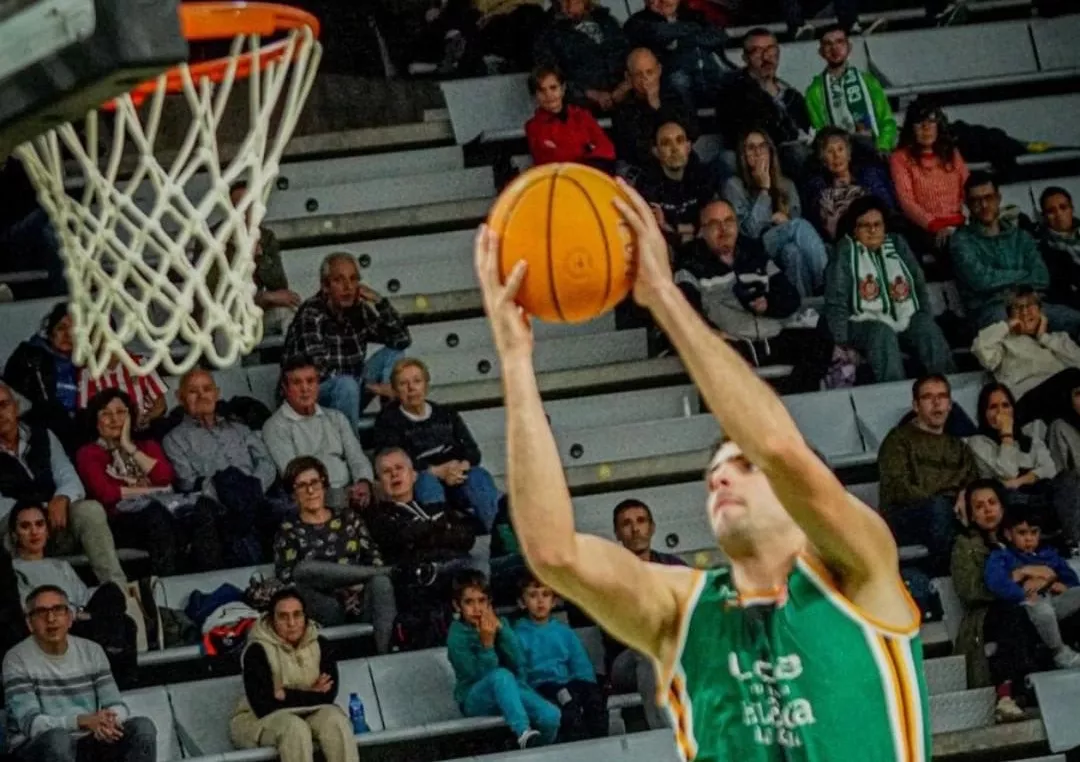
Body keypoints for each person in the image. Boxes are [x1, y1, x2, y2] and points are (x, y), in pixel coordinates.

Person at [473, 180, 931, 758]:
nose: (720, 477)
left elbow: (778, 447)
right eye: (714, 471)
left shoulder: (860, 570)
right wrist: (515, 360)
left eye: (742, 466)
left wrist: (664, 295)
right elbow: (553, 552)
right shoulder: (683, 608)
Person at [675, 200, 833, 393]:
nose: (724, 229)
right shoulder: (690, 264)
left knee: (822, 334)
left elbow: (791, 297)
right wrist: (714, 334)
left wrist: (768, 304)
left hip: (772, 336)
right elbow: (685, 311)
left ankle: (788, 395)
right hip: (736, 343)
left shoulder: (754, 253)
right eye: (715, 224)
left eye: (729, 221)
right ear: (702, 231)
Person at [2, 585, 157, 762]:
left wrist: (107, 723)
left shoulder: (92, 650)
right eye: (41, 612)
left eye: (58, 610)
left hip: (88, 739)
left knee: (142, 728)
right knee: (58, 740)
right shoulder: (16, 658)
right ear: (29, 623)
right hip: (36, 747)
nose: (51, 619)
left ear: (70, 618)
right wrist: (83, 721)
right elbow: (33, 724)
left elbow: (117, 705)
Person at [0, 382, 126, 589]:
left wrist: (63, 497)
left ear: (16, 407)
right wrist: (39, 510)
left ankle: (117, 590)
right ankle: (25, 596)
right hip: (14, 528)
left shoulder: (43, 435)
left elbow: (68, 476)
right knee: (19, 524)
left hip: (55, 523)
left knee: (90, 510)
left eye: (4, 405)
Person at [824, 196, 954, 383]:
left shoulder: (897, 244)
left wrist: (923, 315)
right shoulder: (845, 251)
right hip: (861, 323)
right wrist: (842, 342)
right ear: (854, 229)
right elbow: (836, 300)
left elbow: (918, 283)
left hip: (903, 316)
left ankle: (947, 387)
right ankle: (894, 390)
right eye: (865, 225)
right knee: (881, 333)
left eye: (877, 224)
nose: (873, 230)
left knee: (926, 328)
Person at [273, 456, 395, 653]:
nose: (310, 491)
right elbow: (288, 581)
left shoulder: (348, 517)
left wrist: (358, 587)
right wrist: (338, 590)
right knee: (304, 570)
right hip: (323, 606)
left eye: (315, 482)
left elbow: (374, 558)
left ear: (324, 485)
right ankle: (392, 571)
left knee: (381, 581)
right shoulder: (289, 529)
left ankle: (385, 656)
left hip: (360, 600)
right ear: (293, 494)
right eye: (302, 486)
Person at [8, 503, 137, 688]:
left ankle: (119, 679)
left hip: (79, 619)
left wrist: (82, 612)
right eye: (25, 526)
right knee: (114, 628)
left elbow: (82, 597)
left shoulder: (62, 566)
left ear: (47, 531)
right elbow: (26, 607)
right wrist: (72, 613)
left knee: (116, 601)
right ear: (14, 534)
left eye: (39, 524)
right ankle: (113, 674)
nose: (34, 532)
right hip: (53, 625)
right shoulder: (13, 571)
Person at [75, 389, 200, 577]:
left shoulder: (147, 446)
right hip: (121, 520)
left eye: (121, 412)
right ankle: (168, 582)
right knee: (155, 514)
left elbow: (165, 477)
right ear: (95, 420)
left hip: (163, 511)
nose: (114, 419)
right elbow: (106, 493)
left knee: (201, 511)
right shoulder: (88, 453)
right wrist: (152, 490)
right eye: (106, 414)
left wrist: (128, 446)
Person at [282, 252, 412, 431]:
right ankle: (349, 445)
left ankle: (393, 429)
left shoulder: (359, 309)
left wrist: (380, 301)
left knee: (394, 354)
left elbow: (401, 340)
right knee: (346, 385)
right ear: (325, 286)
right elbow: (319, 370)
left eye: (353, 279)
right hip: (310, 397)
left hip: (350, 391)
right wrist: (370, 387)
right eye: (339, 280)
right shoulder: (311, 313)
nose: (348, 287)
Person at [229, 589, 358, 762]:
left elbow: (328, 695)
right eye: (283, 617)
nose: (291, 623)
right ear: (272, 620)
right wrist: (312, 693)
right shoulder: (257, 650)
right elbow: (264, 705)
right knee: (295, 728)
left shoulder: (321, 645)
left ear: (305, 617)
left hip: (309, 712)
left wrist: (285, 694)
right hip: (258, 720)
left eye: (297, 615)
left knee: (336, 721)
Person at [373, 358, 499, 531]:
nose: (411, 388)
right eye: (403, 384)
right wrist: (437, 471)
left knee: (479, 476)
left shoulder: (446, 413)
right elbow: (392, 461)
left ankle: (496, 533)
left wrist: (460, 467)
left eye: (417, 381)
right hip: (422, 479)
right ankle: (441, 537)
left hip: (457, 476)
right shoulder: (388, 421)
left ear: (426, 385)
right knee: (427, 482)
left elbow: (472, 452)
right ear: (395, 390)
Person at [949, 480, 1039, 722]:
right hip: (985, 616)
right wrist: (1013, 584)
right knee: (1011, 612)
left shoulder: (1020, 537)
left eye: (992, 503)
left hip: (1030, 603)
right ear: (971, 514)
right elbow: (969, 591)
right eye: (979, 506)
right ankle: (1007, 696)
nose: (987, 510)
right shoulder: (964, 545)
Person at [163, 368, 274, 559]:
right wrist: (229, 492)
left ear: (217, 393)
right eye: (193, 391)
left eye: (207, 389)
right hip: (218, 505)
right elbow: (187, 481)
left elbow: (266, 463)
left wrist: (252, 488)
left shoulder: (240, 429)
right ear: (180, 398)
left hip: (257, 496)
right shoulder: (173, 439)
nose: (202, 396)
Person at [952, 173, 1080, 336]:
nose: (984, 205)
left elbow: (1041, 277)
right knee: (1013, 333)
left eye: (988, 197)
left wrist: (1003, 282)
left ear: (998, 198)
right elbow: (981, 281)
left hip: (1033, 305)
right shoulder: (961, 240)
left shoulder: (1020, 236)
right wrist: (1023, 274)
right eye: (976, 200)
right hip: (992, 310)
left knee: (1075, 320)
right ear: (967, 204)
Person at [447, 569, 561, 749]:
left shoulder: (500, 623)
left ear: (489, 603)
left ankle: (535, 750)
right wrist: (487, 645)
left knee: (551, 715)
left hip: (509, 690)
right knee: (501, 675)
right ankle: (523, 732)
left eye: (482, 601)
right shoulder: (456, 636)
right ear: (457, 605)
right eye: (469, 602)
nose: (477, 608)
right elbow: (477, 675)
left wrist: (502, 630)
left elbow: (519, 661)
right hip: (475, 698)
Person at [877, 375, 975, 575]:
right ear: (916, 406)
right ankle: (943, 576)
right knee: (939, 510)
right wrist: (946, 503)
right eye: (928, 397)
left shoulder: (959, 447)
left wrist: (966, 494)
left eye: (942, 396)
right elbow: (899, 488)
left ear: (950, 405)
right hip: (906, 516)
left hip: (951, 513)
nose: (937, 403)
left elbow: (972, 480)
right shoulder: (898, 440)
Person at [965, 382, 1080, 547]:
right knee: (1010, 494)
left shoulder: (1029, 434)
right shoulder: (978, 442)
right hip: (1012, 502)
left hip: (1040, 496)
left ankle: (1073, 541)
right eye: (993, 407)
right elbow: (1008, 471)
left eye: (1005, 405)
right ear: (984, 413)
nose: (1000, 412)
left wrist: (1021, 480)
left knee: (1068, 479)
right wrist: (1006, 435)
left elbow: (1050, 469)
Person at [605, 499, 684, 731]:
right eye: (626, 524)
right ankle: (666, 735)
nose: (635, 529)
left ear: (652, 527)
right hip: (628, 660)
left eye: (641, 521)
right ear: (617, 533)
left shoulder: (673, 566)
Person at [723, 130, 828, 297]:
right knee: (798, 226)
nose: (758, 152)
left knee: (792, 252)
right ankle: (827, 282)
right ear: (743, 155)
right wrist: (764, 189)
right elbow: (750, 232)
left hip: (782, 243)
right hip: (754, 248)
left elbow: (802, 240)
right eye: (751, 148)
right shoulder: (733, 185)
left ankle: (804, 305)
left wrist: (785, 222)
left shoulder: (787, 184)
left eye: (762, 147)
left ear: (770, 151)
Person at [262, 356, 374, 511]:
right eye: (297, 383)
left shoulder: (336, 418)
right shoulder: (275, 427)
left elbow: (357, 457)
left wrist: (363, 483)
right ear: (285, 388)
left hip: (351, 492)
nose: (305, 389)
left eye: (310, 381)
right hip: (313, 500)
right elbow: (295, 477)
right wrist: (342, 496)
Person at [513, 573, 607, 742]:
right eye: (533, 595)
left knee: (594, 700)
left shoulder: (564, 632)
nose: (540, 601)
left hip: (569, 685)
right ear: (522, 602)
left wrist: (587, 686)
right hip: (541, 687)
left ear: (554, 601)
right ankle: (576, 747)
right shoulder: (518, 635)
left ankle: (601, 744)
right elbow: (520, 673)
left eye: (546, 595)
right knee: (568, 704)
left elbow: (581, 666)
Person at [984, 509, 1080, 669]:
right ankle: (1059, 653)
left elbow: (1070, 578)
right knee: (1044, 611)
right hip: (1028, 604)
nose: (1029, 538)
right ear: (1008, 534)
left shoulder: (1049, 555)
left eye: (1034, 532)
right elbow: (997, 583)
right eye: (1022, 533)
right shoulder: (1002, 556)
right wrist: (1022, 591)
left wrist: (1060, 585)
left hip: (1055, 599)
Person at [972, 287, 1080, 428]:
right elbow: (980, 347)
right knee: (1072, 377)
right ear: (1010, 315)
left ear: (1041, 312)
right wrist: (1006, 326)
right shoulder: (1003, 344)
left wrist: (1043, 338)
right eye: (1017, 308)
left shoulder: (1058, 339)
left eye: (1030, 305)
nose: (1024, 312)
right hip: (1027, 404)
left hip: (1065, 399)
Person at [715, 29, 813, 181]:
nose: (766, 57)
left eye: (770, 49)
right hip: (755, 154)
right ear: (745, 58)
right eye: (757, 51)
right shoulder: (733, 89)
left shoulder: (791, 94)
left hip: (790, 155)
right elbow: (738, 132)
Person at [368, 447, 476, 573]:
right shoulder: (379, 518)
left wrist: (427, 532)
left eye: (399, 468)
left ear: (414, 475)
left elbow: (468, 537)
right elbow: (404, 543)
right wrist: (444, 529)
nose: (394, 474)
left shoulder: (437, 507)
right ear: (378, 484)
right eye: (386, 471)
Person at [888, 99, 968, 254]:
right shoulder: (900, 158)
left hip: (957, 223)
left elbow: (967, 185)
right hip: (924, 227)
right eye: (919, 122)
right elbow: (907, 201)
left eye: (931, 121)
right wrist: (934, 225)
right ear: (911, 127)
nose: (926, 128)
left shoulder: (951, 152)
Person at [805, 25, 897, 156]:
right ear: (821, 52)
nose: (835, 49)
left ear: (849, 47)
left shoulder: (868, 81)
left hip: (875, 152)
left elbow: (886, 121)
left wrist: (882, 147)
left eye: (840, 42)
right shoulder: (814, 91)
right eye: (828, 44)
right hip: (838, 158)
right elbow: (821, 133)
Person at [623, 0, 730, 110]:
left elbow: (720, 36)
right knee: (679, 81)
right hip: (670, 74)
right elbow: (658, 34)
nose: (663, 2)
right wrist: (692, 30)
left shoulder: (693, 15)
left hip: (708, 70)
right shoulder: (638, 21)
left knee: (731, 80)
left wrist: (684, 39)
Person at [4, 303, 83, 451]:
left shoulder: (89, 363)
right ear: (50, 332)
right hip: (42, 431)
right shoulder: (29, 357)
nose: (68, 335)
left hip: (81, 430)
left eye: (74, 330)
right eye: (61, 328)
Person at [532, 0, 630, 112]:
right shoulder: (548, 33)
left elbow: (631, 57)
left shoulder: (607, 21)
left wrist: (626, 86)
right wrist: (590, 93)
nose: (568, 6)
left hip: (625, 99)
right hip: (580, 107)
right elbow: (548, 76)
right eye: (564, 2)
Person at [610, 48, 698, 172]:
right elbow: (635, 149)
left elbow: (692, 132)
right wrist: (651, 110)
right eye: (639, 74)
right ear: (628, 77)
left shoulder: (674, 96)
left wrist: (657, 105)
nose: (645, 78)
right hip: (644, 169)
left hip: (680, 163)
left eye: (650, 72)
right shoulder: (624, 108)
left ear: (659, 70)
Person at [636, 121, 721, 246]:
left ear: (688, 147)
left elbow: (711, 224)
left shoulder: (704, 175)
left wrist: (669, 226)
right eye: (666, 143)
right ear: (656, 152)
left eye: (679, 141)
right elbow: (655, 232)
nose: (674, 148)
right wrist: (687, 231)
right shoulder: (646, 183)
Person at [805, 126, 897, 242]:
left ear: (848, 155)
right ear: (823, 160)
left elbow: (889, 212)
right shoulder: (823, 195)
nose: (836, 156)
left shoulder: (870, 177)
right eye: (830, 151)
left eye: (840, 149)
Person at [524, 66, 616, 170]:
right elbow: (547, 161)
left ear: (563, 89)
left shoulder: (582, 115)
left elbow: (608, 149)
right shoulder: (533, 127)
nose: (548, 94)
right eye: (541, 90)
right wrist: (587, 150)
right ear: (535, 95)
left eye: (553, 88)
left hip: (591, 173)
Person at [76, 354, 169, 438]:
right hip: (107, 435)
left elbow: (161, 405)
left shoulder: (140, 362)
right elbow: (85, 414)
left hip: (142, 431)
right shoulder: (87, 372)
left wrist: (145, 419)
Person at [1039, 187, 1080, 310]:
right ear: (1044, 216)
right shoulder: (1044, 247)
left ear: (1072, 209)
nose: (1059, 214)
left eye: (1063, 207)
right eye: (1051, 211)